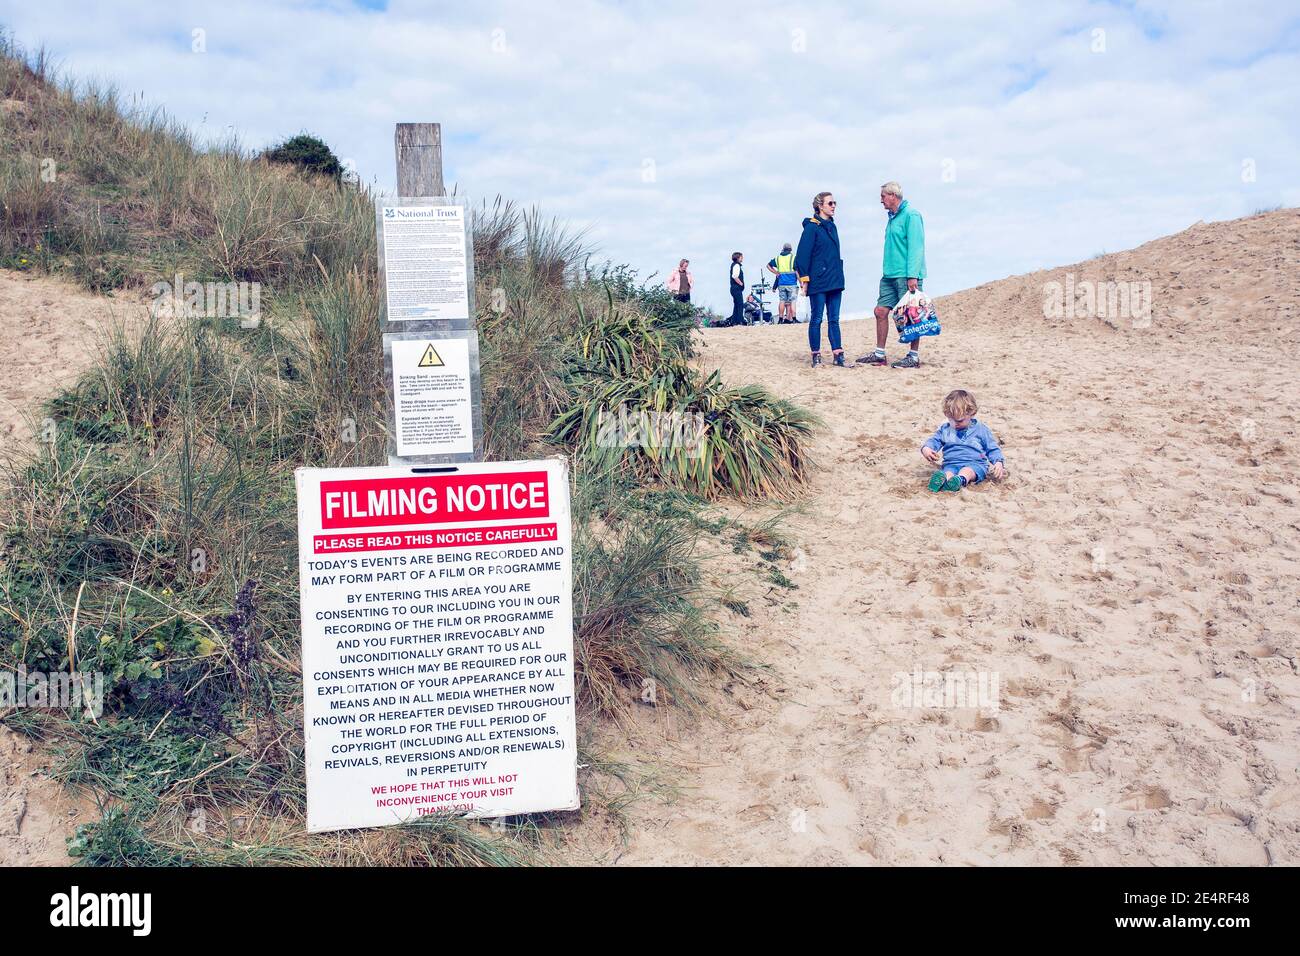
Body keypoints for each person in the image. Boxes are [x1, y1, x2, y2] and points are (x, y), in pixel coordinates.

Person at [859, 181, 927, 369]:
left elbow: (916, 247)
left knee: (911, 315)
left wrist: (912, 275)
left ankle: (913, 357)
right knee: (880, 311)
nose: (881, 200)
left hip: (906, 275)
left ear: (893, 196)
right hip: (889, 275)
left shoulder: (911, 215)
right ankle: (879, 355)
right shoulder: (892, 217)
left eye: (883, 196)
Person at [795, 191, 847, 367]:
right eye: (830, 203)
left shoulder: (832, 226)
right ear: (820, 206)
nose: (833, 206)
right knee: (817, 318)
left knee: (834, 318)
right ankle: (816, 355)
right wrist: (805, 280)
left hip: (835, 279)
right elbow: (802, 257)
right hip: (818, 280)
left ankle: (838, 354)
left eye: (834, 203)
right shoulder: (811, 227)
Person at [921, 390, 1005, 493]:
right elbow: (935, 440)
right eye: (951, 419)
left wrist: (998, 462)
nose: (955, 424)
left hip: (975, 464)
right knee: (947, 473)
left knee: (967, 471)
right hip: (951, 463)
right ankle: (943, 482)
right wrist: (926, 448)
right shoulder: (946, 429)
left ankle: (960, 480)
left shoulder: (981, 429)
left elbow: (992, 448)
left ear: (972, 413)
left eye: (959, 420)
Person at [767, 243, 799, 323]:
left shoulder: (778, 258)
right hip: (792, 283)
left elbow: (768, 265)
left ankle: (780, 319)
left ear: (783, 249)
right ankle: (794, 319)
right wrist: (801, 282)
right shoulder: (793, 257)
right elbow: (797, 270)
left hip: (781, 283)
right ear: (790, 249)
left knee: (782, 301)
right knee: (793, 301)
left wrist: (776, 272)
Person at [729, 252, 745, 326]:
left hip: (733, 288)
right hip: (736, 288)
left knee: (736, 304)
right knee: (740, 304)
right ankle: (740, 321)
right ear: (738, 258)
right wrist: (741, 283)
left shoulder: (734, 265)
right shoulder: (737, 265)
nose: (742, 258)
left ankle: (734, 321)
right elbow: (735, 276)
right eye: (741, 257)